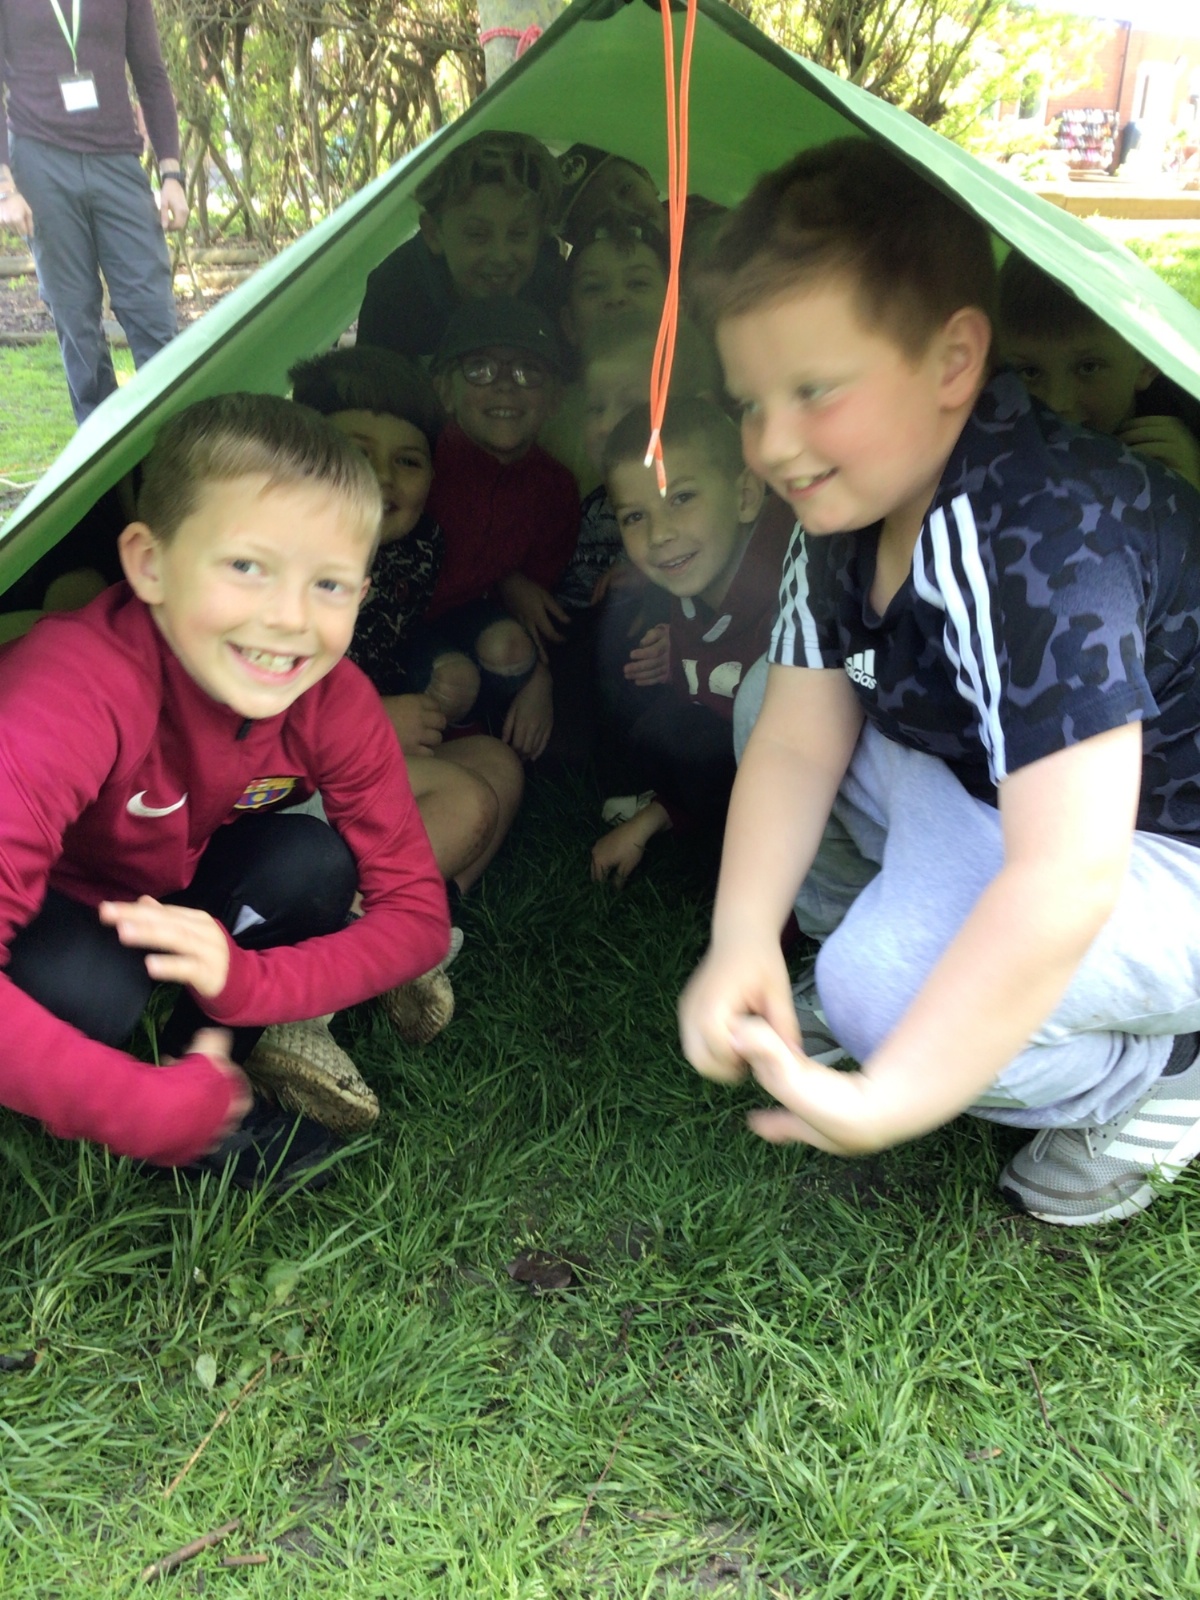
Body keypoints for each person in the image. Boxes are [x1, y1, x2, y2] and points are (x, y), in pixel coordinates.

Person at [679, 137, 1200, 1227]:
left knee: (889, 1004)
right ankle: (888, 962)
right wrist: (741, 937)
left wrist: (900, 1091)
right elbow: (796, 740)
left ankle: (1162, 1075)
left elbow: (1067, 875)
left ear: (955, 360)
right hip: (1013, 797)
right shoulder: (853, 495)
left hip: (1160, 851)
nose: (772, 443)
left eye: (814, 390)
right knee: (767, 698)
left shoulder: (1044, 538)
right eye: (749, 401)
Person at [0, 393, 450, 1178]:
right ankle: (159, 1102)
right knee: (92, 994)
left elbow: (417, 919)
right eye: (247, 566)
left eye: (330, 584)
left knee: (311, 862)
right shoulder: (73, 685)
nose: (290, 620)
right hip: (57, 891)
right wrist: (137, 1110)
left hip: (169, 878)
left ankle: (210, 1072)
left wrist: (248, 984)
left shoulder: (332, 698)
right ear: (151, 564)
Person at [288, 345, 525, 896]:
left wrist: (437, 672)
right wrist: (369, 725)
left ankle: (426, 909)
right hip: (280, 780)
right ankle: (362, 916)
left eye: (409, 462)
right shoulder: (280, 560)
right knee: (465, 799)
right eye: (356, 452)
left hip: (355, 755)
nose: (381, 476)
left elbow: (402, 635)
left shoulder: (417, 550)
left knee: (496, 765)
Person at [591, 399, 789, 885]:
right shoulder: (685, 588)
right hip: (736, 759)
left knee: (697, 735)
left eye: (681, 498)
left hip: (799, 790)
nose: (660, 534)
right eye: (635, 517)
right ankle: (671, 808)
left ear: (745, 496)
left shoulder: (788, 598)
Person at [0, 0, 188, 422]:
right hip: (40, 161)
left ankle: (171, 439)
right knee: (76, 318)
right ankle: (103, 451)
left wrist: (172, 174)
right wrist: (4, 185)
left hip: (116, 159)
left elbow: (151, 74)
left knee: (152, 311)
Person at [425, 297, 580, 763]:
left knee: (510, 647)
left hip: (476, 621)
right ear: (444, 389)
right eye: (480, 369)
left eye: (529, 371)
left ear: (555, 399)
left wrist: (539, 677)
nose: (505, 387)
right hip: (402, 630)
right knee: (453, 680)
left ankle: (482, 737)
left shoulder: (554, 488)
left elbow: (537, 604)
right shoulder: (419, 463)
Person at [995, 252, 1200, 490]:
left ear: (1147, 364)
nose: (1057, 403)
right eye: (1030, 372)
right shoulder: (991, 433)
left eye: (1088, 367)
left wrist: (1190, 491)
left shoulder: (1187, 426)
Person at [356, 130, 563, 361]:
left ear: (540, 235)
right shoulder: (394, 298)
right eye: (477, 235)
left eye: (518, 234)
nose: (501, 256)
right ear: (433, 234)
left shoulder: (556, 288)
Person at [541, 213, 669, 493]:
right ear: (568, 324)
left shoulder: (702, 407)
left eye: (638, 283)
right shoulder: (545, 421)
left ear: (677, 309)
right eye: (594, 287)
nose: (616, 298)